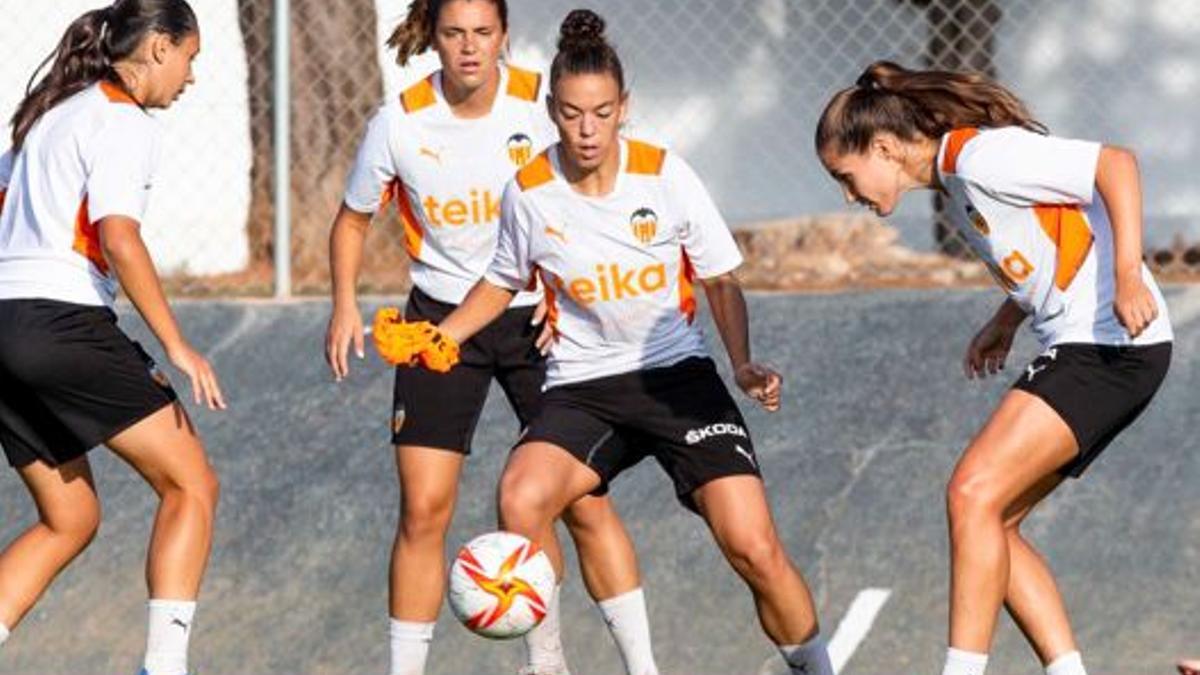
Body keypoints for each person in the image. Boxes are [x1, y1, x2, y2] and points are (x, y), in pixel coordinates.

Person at [381, 9, 835, 674]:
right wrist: (440, 335)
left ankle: (817, 667)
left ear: (624, 108)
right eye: (570, 114)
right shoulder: (530, 191)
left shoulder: (665, 175)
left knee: (754, 546)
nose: (587, 130)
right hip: (582, 388)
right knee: (520, 496)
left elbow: (720, 279)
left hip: (676, 378)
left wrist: (741, 363)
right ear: (551, 110)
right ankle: (549, 663)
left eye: (600, 112)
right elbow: (501, 281)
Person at [324, 2, 656, 673]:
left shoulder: (544, 104)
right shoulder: (400, 121)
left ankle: (615, 665)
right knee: (423, 507)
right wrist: (342, 306)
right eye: (454, 34)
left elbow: (602, 193)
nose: (469, 49)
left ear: (504, 36)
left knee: (582, 502)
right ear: (433, 38)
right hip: (439, 322)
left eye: (483, 33)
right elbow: (352, 218)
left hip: (540, 319)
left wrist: (569, 286)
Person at [815, 60, 1173, 675]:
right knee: (995, 524)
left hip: (1112, 343)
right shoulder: (956, 183)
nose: (848, 196)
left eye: (846, 177)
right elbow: (1047, 245)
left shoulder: (982, 160)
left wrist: (1127, 275)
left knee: (970, 493)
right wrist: (1005, 322)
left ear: (882, 147)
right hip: (1094, 344)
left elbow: (1117, 165)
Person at [0, 2, 223, 675]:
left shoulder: (45, 119)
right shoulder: (121, 119)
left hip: (4, 324)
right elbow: (119, 236)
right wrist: (177, 344)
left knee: (69, 516)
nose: (189, 77)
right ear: (159, 46)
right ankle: (164, 668)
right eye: (189, 57)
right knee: (193, 485)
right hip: (62, 321)